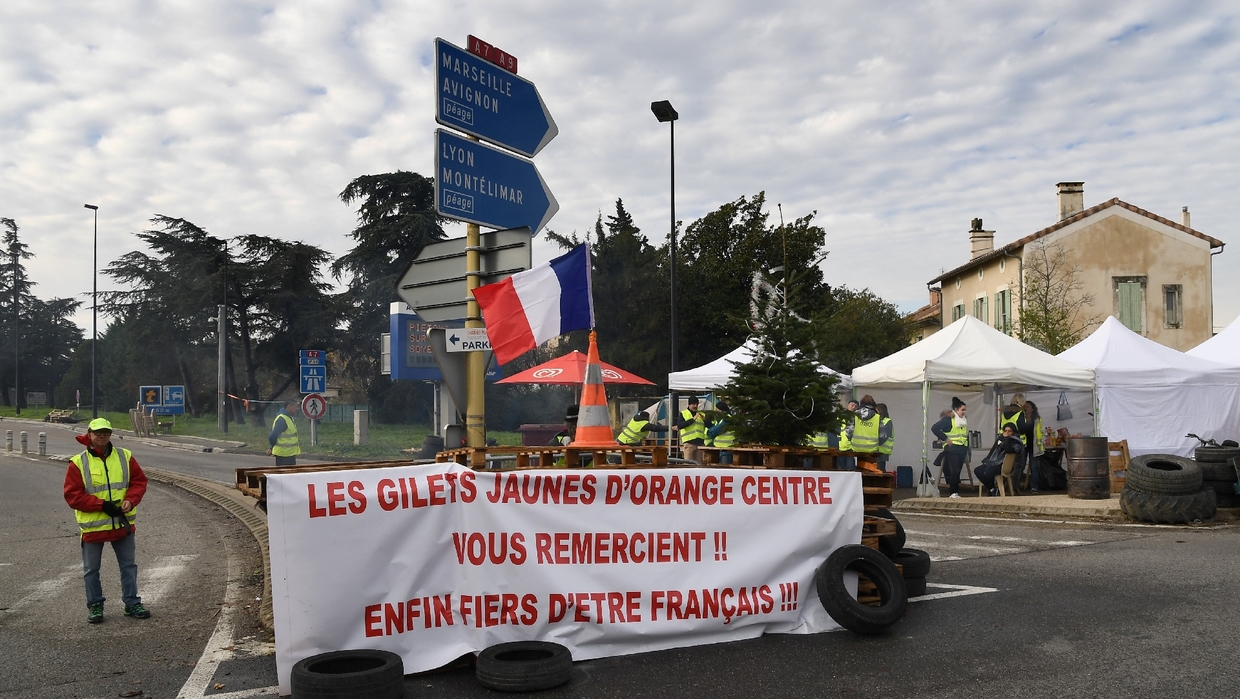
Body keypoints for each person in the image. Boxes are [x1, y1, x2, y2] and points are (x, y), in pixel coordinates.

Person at [63, 418, 151, 623]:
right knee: (91, 570)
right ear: (89, 434)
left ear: (110, 434)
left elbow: (139, 482)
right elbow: (72, 495)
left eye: (106, 432)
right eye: (98, 432)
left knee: (129, 566)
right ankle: (95, 605)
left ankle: (132, 603)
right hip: (93, 528)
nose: (102, 435)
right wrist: (101, 505)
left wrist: (131, 500)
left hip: (122, 524)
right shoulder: (78, 462)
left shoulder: (125, 456)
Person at [931, 397, 970, 498]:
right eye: (962, 410)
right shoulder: (948, 420)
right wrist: (945, 439)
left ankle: (955, 492)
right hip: (952, 450)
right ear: (956, 410)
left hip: (962, 449)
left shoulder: (963, 421)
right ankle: (953, 492)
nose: (964, 412)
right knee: (955, 471)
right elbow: (934, 428)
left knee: (957, 472)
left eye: (965, 410)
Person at [844, 395, 890, 474]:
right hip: (872, 448)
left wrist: (852, 441)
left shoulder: (854, 415)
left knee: (858, 469)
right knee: (871, 471)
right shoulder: (877, 417)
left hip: (856, 448)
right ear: (873, 404)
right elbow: (884, 436)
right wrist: (876, 443)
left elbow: (848, 431)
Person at [975, 424, 1024, 495]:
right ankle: (992, 488)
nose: (1007, 433)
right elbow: (993, 450)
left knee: (989, 471)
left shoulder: (1016, 442)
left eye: (1009, 431)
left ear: (1013, 432)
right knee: (978, 470)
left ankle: (992, 491)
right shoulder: (1000, 439)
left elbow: (1009, 450)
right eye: (1005, 431)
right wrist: (987, 459)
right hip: (994, 463)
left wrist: (1007, 439)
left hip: (1003, 465)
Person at [998, 394, 1028, 491]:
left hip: (1005, 441)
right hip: (1018, 443)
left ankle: (1003, 486)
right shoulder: (1020, 413)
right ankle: (1015, 488)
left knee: (1005, 465)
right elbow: (1023, 428)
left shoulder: (1004, 413)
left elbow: (1000, 427)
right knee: (1018, 466)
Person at [674, 396, 711, 463]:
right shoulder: (683, 413)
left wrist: (705, 420)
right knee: (688, 464)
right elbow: (680, 425)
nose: (695, 406)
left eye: (697, 404)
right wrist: (693, 419)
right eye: (693, 404)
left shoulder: (702, 414)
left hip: (700, 443)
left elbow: (710, 426)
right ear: (689, 404)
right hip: (689, 443)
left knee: (699, 465)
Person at [267, 398, 300, 465]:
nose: (297, 409)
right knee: (284, 475)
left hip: (289, 454)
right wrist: (271, 447)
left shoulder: (288, 417)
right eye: (296, 406)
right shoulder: (282, 419)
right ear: (289, 407)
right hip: (283, 455)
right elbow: (272, 436)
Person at [1022, 400, 1044, 493]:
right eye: (1025, 407)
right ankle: (1016, 486)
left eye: (1028, 407)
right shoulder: (1021, 418)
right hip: (1023, 445)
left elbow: (1040, 432)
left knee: (1034, 467)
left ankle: (1034, 487)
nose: (1026, 408)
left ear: (1032, 409)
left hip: (1034, 445)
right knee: (1021, 465)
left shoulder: (1037, 419)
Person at [835, 399, 859, 470]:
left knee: (850, 468)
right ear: (847, 405)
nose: (854, 407)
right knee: (842, 468)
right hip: (841, 445)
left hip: (851, 446)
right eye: (852, 405)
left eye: (856, 406)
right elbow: (837, 429)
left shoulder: (857, 417)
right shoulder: (841, 416)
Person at [875, 403, 894, 473]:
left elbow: (884, 436)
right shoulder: (877, 420)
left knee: (880, 470)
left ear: (881, 411)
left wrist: (874, 443)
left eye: (876, 410)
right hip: (877, 450)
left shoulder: (887, 421)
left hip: (882, 450)